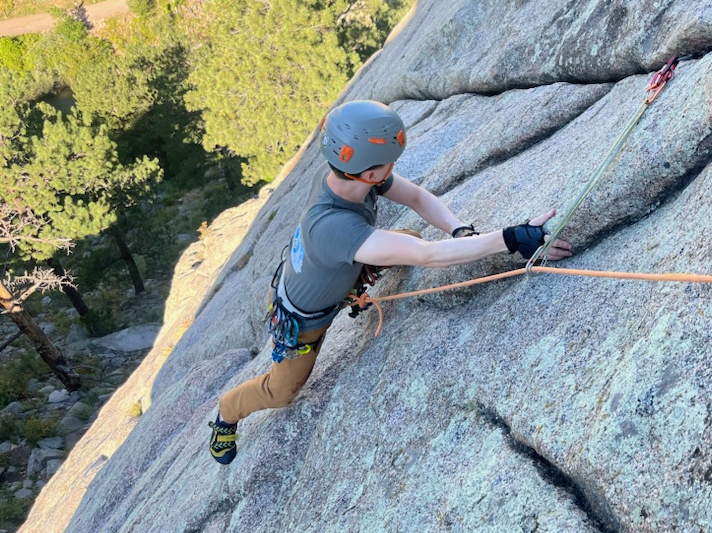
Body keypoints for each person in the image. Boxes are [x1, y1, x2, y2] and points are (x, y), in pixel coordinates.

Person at [209, 99, 572, 464]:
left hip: (330, 272)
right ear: (367, 173)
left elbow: (414, 197)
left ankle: (357, 280)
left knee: (406, 236)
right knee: (282, 391)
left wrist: (461, 230)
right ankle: (226, 413)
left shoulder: (347, 179)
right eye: (389, 163)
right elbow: (427, 256)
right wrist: (509, 238)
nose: (393, 167)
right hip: (303, 323)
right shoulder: (334, 224)